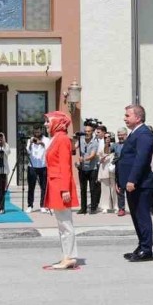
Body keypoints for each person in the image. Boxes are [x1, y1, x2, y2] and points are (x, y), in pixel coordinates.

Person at [116, 105, 153, 262]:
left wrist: (132, 179)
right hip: (130, 183)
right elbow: (126, 159)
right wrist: (121, 180)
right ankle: (141, 245)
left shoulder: (144, 133)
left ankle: (147, 250)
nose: (125, 118)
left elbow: (141, 159)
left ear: (138, 118)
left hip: (140, 184)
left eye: (127, 115)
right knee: (136, 217)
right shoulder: (135, 133)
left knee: (142, 217)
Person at [43, 111, 79, 269]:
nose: (45, 124)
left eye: (47, 121)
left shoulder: (62, 139)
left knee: (65, 224)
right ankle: (67, 255)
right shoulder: (56, 138)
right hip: (56, 184)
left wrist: (65, 189)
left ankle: (69, 256)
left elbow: (65, 165)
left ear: (57, 122)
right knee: (62, 224)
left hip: (60, 186)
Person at [76, 120, 102, 214]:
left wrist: (84, 159)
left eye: (89, 131)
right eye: (85, 131)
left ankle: (93, 208)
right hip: (82, 169)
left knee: (92, 189)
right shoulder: (80, 140)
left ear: (92, 132)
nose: (87, 133)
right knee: (83, 189)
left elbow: (92, 155)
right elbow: (73, 148)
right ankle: (83, 208)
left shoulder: (95, 142)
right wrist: (73, 139)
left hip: (92, 169)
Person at [25, 127, 50, 213]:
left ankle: (42, 205)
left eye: (38, 132)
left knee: (44, 187)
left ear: (41, 131)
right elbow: (28, 151)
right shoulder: (30, 140)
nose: (37, 134)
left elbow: (49, 149)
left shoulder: (46, 140)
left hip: (43, 166)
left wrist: (41, 143)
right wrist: (31, 144)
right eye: (35, 132)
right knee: (31, 187)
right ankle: (30, 205)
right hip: (32, 166)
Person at [97, 127, 119, 214]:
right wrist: (103, 156)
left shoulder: (115, 145)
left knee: (114, 188)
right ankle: (105, 206)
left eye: (109, 137)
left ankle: (116, 206)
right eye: (105, 137)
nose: (107, 139)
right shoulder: (101, 145)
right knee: (105, 189)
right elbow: (100, 157)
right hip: (104, 169)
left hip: (113, 169)